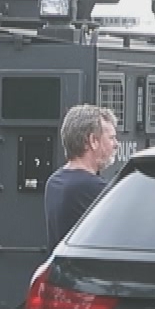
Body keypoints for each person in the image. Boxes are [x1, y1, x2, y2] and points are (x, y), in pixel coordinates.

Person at [42, 104, 118, 254]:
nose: (116, 144)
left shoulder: (54, 182)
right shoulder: (92, 188)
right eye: (111, 138)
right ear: (93, 141)